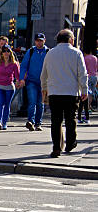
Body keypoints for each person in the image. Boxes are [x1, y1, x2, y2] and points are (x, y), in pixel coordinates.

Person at [41, 29, 88, 158]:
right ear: (71, 40)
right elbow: (82, 74)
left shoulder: (50, 53)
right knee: (70, 119)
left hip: (54, 92)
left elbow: (44, 74)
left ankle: (56, 147)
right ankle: (70, 142)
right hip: (71, 92)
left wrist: (44, 88)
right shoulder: (76, 53)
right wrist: (84, 89)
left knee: (55, 121)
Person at [18, 33, 49, 131]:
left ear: (44, 40)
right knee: (32, 102)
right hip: (31, 81)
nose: (39, 42)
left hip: (44, 82)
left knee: (40, 103)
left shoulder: (48, 52)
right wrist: (22, 78)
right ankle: (30, 121)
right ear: (35, 41)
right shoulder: (30, 51)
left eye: (41, 40)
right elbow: (24, 66)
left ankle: (38, 123)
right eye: (37, 40)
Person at [78, 51, 97, 123]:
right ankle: (89, 107)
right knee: (91, 93)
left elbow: (83, 68)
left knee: (85, 96)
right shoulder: (95, 58)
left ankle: (84, 111)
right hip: (94, 76)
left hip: (87, 77)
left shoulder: (85, 58)